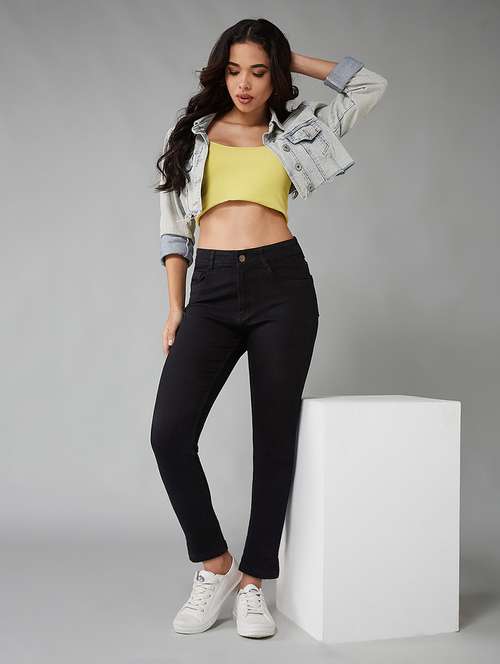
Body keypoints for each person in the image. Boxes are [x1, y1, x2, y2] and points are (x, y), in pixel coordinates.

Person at [150, 18, 387, 639]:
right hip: (210, 288)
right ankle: (214, 565)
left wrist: (288, 57)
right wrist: (175, 306)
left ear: (274, 75)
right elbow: (174, 228)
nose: (245, 84)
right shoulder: (192, 135)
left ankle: (255, 581)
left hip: (282, 286)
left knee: (274, 437)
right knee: (169, 433)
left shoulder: (299, 130)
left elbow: (369, 85)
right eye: (235, 70)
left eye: (259, 71)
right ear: (220, 73)